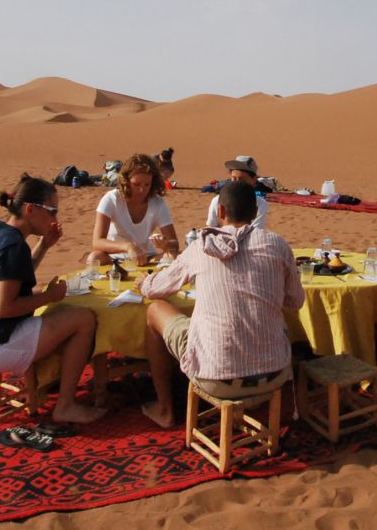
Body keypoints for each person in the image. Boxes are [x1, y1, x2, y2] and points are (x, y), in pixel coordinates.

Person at [0, 174, 105, 425]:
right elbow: (3, 308)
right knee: (83, 319)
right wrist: (48, 296)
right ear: (30, 209)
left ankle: (48, 384)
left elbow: (12, 278)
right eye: (51, 211)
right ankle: (66, 405)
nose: (55, 218)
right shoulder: (13, 247)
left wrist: (44, 246)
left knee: (58, 313)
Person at [137, 179, 305, 428]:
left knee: (155, 310)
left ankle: (165, 409)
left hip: (214, 378)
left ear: (221, 211)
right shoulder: (277, 245)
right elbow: (296, 301)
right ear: (255, 213)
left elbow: (155, 290)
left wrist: (143, 282)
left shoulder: (201, 247)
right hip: (275, 374)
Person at [89, 153, 180, 266]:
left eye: (147, 184)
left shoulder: (158, 202)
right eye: (136, 184)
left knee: (174, 256)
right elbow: (97, 242)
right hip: (114, 258)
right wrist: (128, 246)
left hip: (148, 257)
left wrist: (165, 244)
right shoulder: (111, 199)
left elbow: (174, 244)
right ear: (126, 181)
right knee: (94, 258)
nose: (142, 190)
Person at [205, 154, 270, 230]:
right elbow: (211, 229)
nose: (237, 183)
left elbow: (256, 232)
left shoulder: (260, 204)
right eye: (234, 178)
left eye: (242, 179)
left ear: (254, 179)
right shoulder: (217, 201)